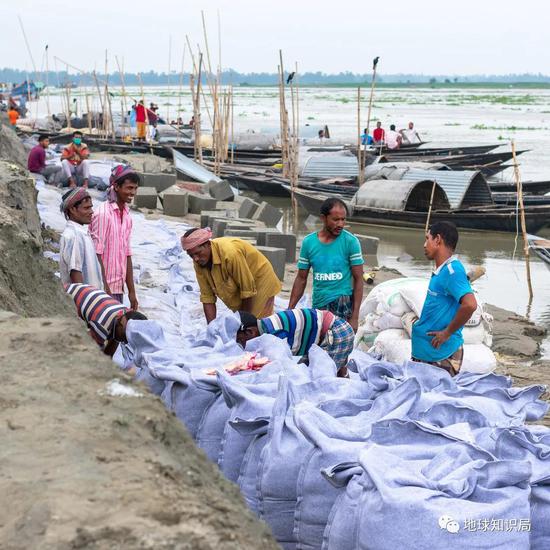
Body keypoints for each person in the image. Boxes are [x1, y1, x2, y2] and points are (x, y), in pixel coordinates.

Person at [411, 222, 477, 377]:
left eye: (427, 239)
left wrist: (447, 333)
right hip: (427, 353)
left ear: (438, 240)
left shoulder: (452, 271)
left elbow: (470, 305)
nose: (424, 244)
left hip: (440, 356)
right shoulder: (442, 271)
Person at [288, 198, 364, 332]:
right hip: (318, 303)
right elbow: (301, 278)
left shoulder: (351, 242)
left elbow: (358, 279)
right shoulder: (309, 242)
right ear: (323, 218)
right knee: (316, 346)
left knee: (339, 347)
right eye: (336, 220)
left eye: (343, 219)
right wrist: (290, 308)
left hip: (342, 302)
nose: (340, 224)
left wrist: (355, 316)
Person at [181, 228, 282, 323]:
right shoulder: (198, 262)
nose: (196, 259)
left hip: (260, 279)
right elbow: (207, 297)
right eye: (191, 256)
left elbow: (247, 291)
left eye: (198, 253)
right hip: (240, 286)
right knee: (241, 327)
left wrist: (244, 323)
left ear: (208, 244)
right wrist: (211, 329)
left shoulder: (230, 253)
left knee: (256, 325)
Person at [236, 309, 354, 377]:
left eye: (241, 341)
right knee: (306, 372)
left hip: (336, 334)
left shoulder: (274, 334)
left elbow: (281, 364)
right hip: (325, 335)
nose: (243, 346)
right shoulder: (267, 325)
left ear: (250, 332)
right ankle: (344, 381)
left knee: (321, 381)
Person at [89, 165, 139, 309]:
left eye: (135, 188)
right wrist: (105, 288)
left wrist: (132, 292)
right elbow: (96, 254)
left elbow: (127, 254)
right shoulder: (103, 214)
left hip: (117, 288)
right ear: (116, 186)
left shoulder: (127, 216)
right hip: (103, 288)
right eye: (129, 188)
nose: (133, 192)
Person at [66, 283, 147, 357]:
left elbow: (116, 338)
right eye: (125, 338)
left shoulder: (124, 312)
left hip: (83, 289)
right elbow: (94, 354)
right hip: (66, 295)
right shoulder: (101, 326)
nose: (125, 342)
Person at [59, 188, 104, 289]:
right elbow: (76, 273)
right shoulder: (73, 236)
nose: (91, 212)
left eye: (91, 208)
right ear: (72, 209)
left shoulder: (81, 233)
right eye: (86, 208)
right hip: (84, 302)